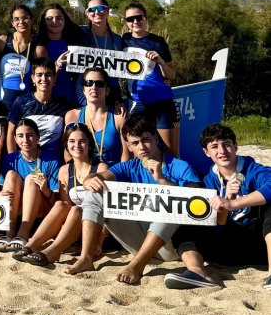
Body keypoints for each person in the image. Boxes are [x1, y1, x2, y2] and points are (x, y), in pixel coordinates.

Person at [78, 114, 201, 284]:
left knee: (171, 204)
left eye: (146, 140)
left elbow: (196, 198)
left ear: (156, 138)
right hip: (137, 240)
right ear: (128, 146)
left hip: (169, 245)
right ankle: (86, 257)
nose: (141, 147)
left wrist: (162, 180)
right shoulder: (129, 167)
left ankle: (137, 265)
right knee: (96, 191)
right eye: (135, 143)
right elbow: (99, 176)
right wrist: (88, 179)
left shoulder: (179, 165)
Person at [166, 124, 271, 290]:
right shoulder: (209, 181)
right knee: (186, 220)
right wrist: (225, 204)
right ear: (206, 153)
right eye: (214, 146)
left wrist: (234, 203)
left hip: (258, 247)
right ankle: (198, 272)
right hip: (224, 251)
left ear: (235, 147)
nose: (222, 151)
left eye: (227, 144)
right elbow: (218, 227)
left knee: (269, 207)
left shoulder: (254, 170)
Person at [13, 123, 109, 266]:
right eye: (72, 141)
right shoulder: (65, 170)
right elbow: (65, 206)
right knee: (60, 204)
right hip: (73, 227)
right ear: (66, 145)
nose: (77, 145)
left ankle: (51, 252)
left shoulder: (101, 168)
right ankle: (30, 246)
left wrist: (99, 240)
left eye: (82, 141)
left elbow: (108, 208)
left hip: (94, 228)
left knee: (77, 209)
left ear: (89, 144)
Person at [122, 2, 180, 156]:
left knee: (169, 153)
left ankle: (174, 179)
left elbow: (171, 75)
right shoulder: (122, 41)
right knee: (140, 151)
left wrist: (160, 61)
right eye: (130, 19)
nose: (135, 22)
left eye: (138, 17)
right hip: (138, 103)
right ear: (126, 22)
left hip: (162, 101)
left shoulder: (158, 41)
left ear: (145, 18)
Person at [0, 118, 61, 252]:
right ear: (15, 139)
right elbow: (3, 190)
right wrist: (0, 195)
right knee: (11, 175)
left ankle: (23, 233)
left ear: (38, 137)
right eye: (20, 136)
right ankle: (9, 233)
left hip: (40, 209)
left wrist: (45, 189)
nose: (25, 140)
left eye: (30, 135)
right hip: (16, 208)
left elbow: (56, 201)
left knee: (31, 179)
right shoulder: (10, 159)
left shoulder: (51, 160)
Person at [6, 57, 76, 160]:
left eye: (48, 75)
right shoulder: (21, 101)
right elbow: (11, 133)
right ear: (33, 78)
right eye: (39, 75)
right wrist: (13, 160)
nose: (44, 79)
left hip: (54, 162)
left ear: (54, 78)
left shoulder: (64, 106)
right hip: (26, 161)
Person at [64, 68, 129, 166]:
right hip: (83, 175)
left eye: (99, 84)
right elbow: (68, 154)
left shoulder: (119, 117)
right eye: (89, 83)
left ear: (107, 90)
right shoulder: (72, 116)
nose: (94, 87)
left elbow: (126, 155)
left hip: (113, 176)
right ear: (84, 90)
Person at [0, 5, 37, 125]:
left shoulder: (38, 46)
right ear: (12, 22)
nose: (21, 22)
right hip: (1, 99)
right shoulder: (2, 41)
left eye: (25, 18)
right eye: (16, 19)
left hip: (26, 103)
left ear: (32, 19)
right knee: (0, 142)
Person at [34, 4, 87, 104]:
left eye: (59, 18)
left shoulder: (74, 43)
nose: (54, 21)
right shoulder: (40, 47)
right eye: (49, 19)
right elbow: (43, 79)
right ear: (43, 22)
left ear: (64, 20)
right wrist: (57, 64)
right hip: (51, 99)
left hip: (74, 96)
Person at [79, 0, 122, 104]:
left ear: (107, 11)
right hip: (86, 92)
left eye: (101, 8)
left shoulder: (117, 39)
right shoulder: (79, 34)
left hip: (111, 91)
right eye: (92, 9)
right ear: (87, 14)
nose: (97, 12)